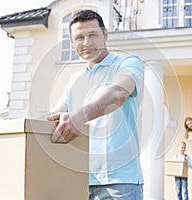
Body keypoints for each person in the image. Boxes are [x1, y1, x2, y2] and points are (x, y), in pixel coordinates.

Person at [47, 9, 144, 200]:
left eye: (92, 35)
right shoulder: (75, 79)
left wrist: (78, 117)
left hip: (120, 183)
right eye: (79, 37)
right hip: (78, 178)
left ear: (105, 34)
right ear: (72, 42)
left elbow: (118, 93)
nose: (86, 43)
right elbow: (54, 117)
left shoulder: (128, 63)